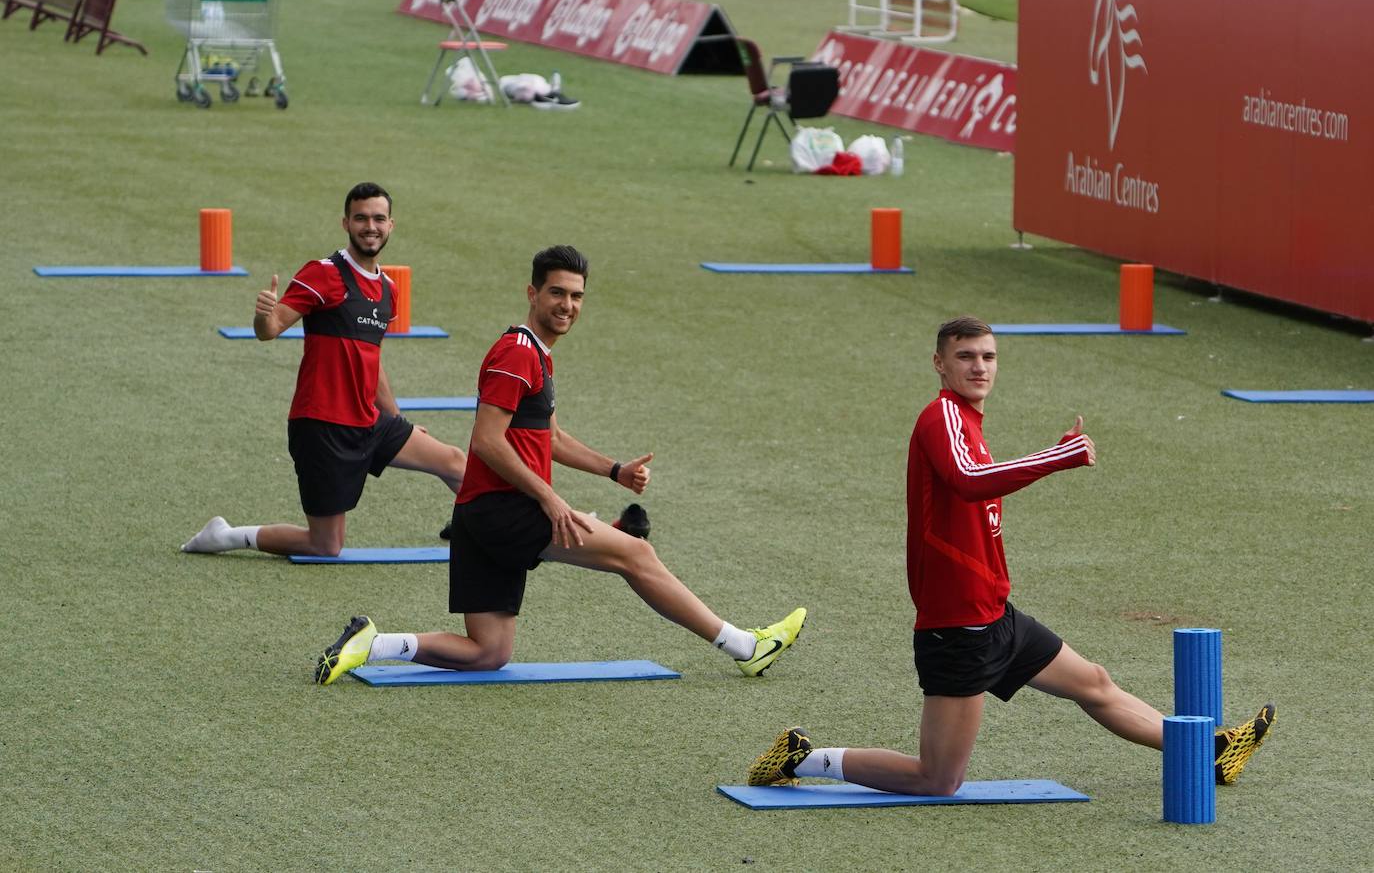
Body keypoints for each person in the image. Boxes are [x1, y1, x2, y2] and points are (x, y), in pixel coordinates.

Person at [748, 316, 1274, 793]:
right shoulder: (942, 418)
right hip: (958, 627)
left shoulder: (969, 422)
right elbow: (970, 482)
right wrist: (1059, 455)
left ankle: (1209, 752)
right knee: (938, 778)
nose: (979, 366)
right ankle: (803, 760)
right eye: (966, 356)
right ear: (940, 363)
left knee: (1093, 682)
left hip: (994, 613)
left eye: (988, 356)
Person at [314, 245, 805, 683]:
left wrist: (614, 470)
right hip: (506, 509)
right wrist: (550, 498)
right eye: (557, 292)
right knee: (638, 557)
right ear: (532, 292)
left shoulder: (538, 357)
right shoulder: (517, 352)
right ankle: (745, 646)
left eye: (576, 296)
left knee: (489, 652)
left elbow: (549, 437)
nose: (567, 305)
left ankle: (371, 644)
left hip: (480, 517)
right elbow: (487, 441)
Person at [181, 182, 467, 558]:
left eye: (379, 218)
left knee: (455, 463)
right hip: (322, 426)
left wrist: (398, 421)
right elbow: (270, 331)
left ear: (391, 225)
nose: (371, 226)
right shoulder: (323, 274)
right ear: (345, 223)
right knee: (326, 544)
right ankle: (228, 536)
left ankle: (481, 530)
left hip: (369, 421)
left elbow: (372, 360)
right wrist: (262, 315)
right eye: (361, 218)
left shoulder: (387, 290)